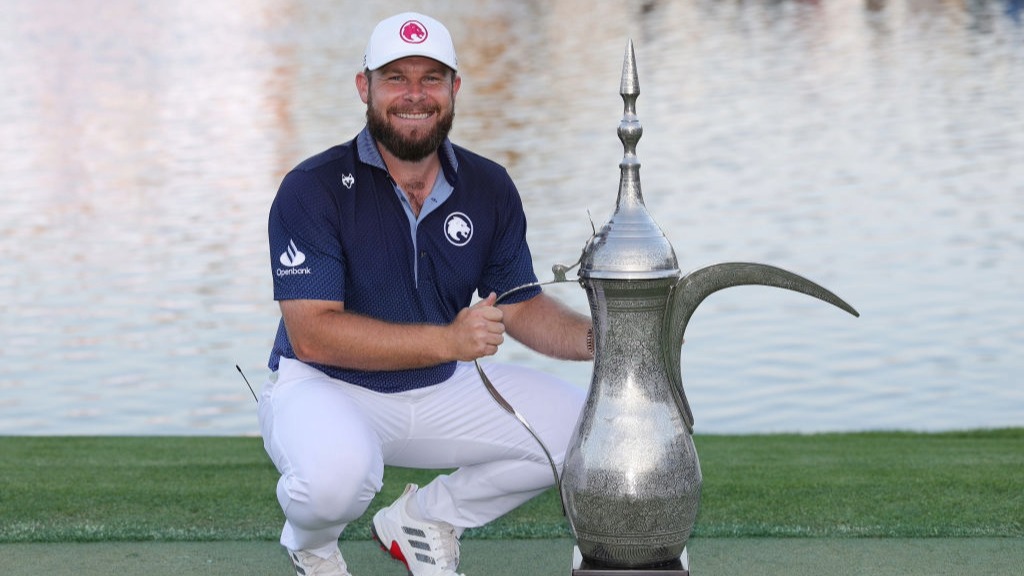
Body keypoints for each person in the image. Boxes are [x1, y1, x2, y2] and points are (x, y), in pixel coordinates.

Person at [258, 12, 593, 576]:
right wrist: (449, 340)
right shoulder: (312, 187)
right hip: (325, 385)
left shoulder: (488, 185)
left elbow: (521, 304)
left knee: (590, 437)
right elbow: (312, 334)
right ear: (364, 87)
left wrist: (605, 339)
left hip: (440, 387)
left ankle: (424, 517)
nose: (414, 95)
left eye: (431, 78)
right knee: (337, 478)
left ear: (454, 89)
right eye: (396, 78)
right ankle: (311, 544)